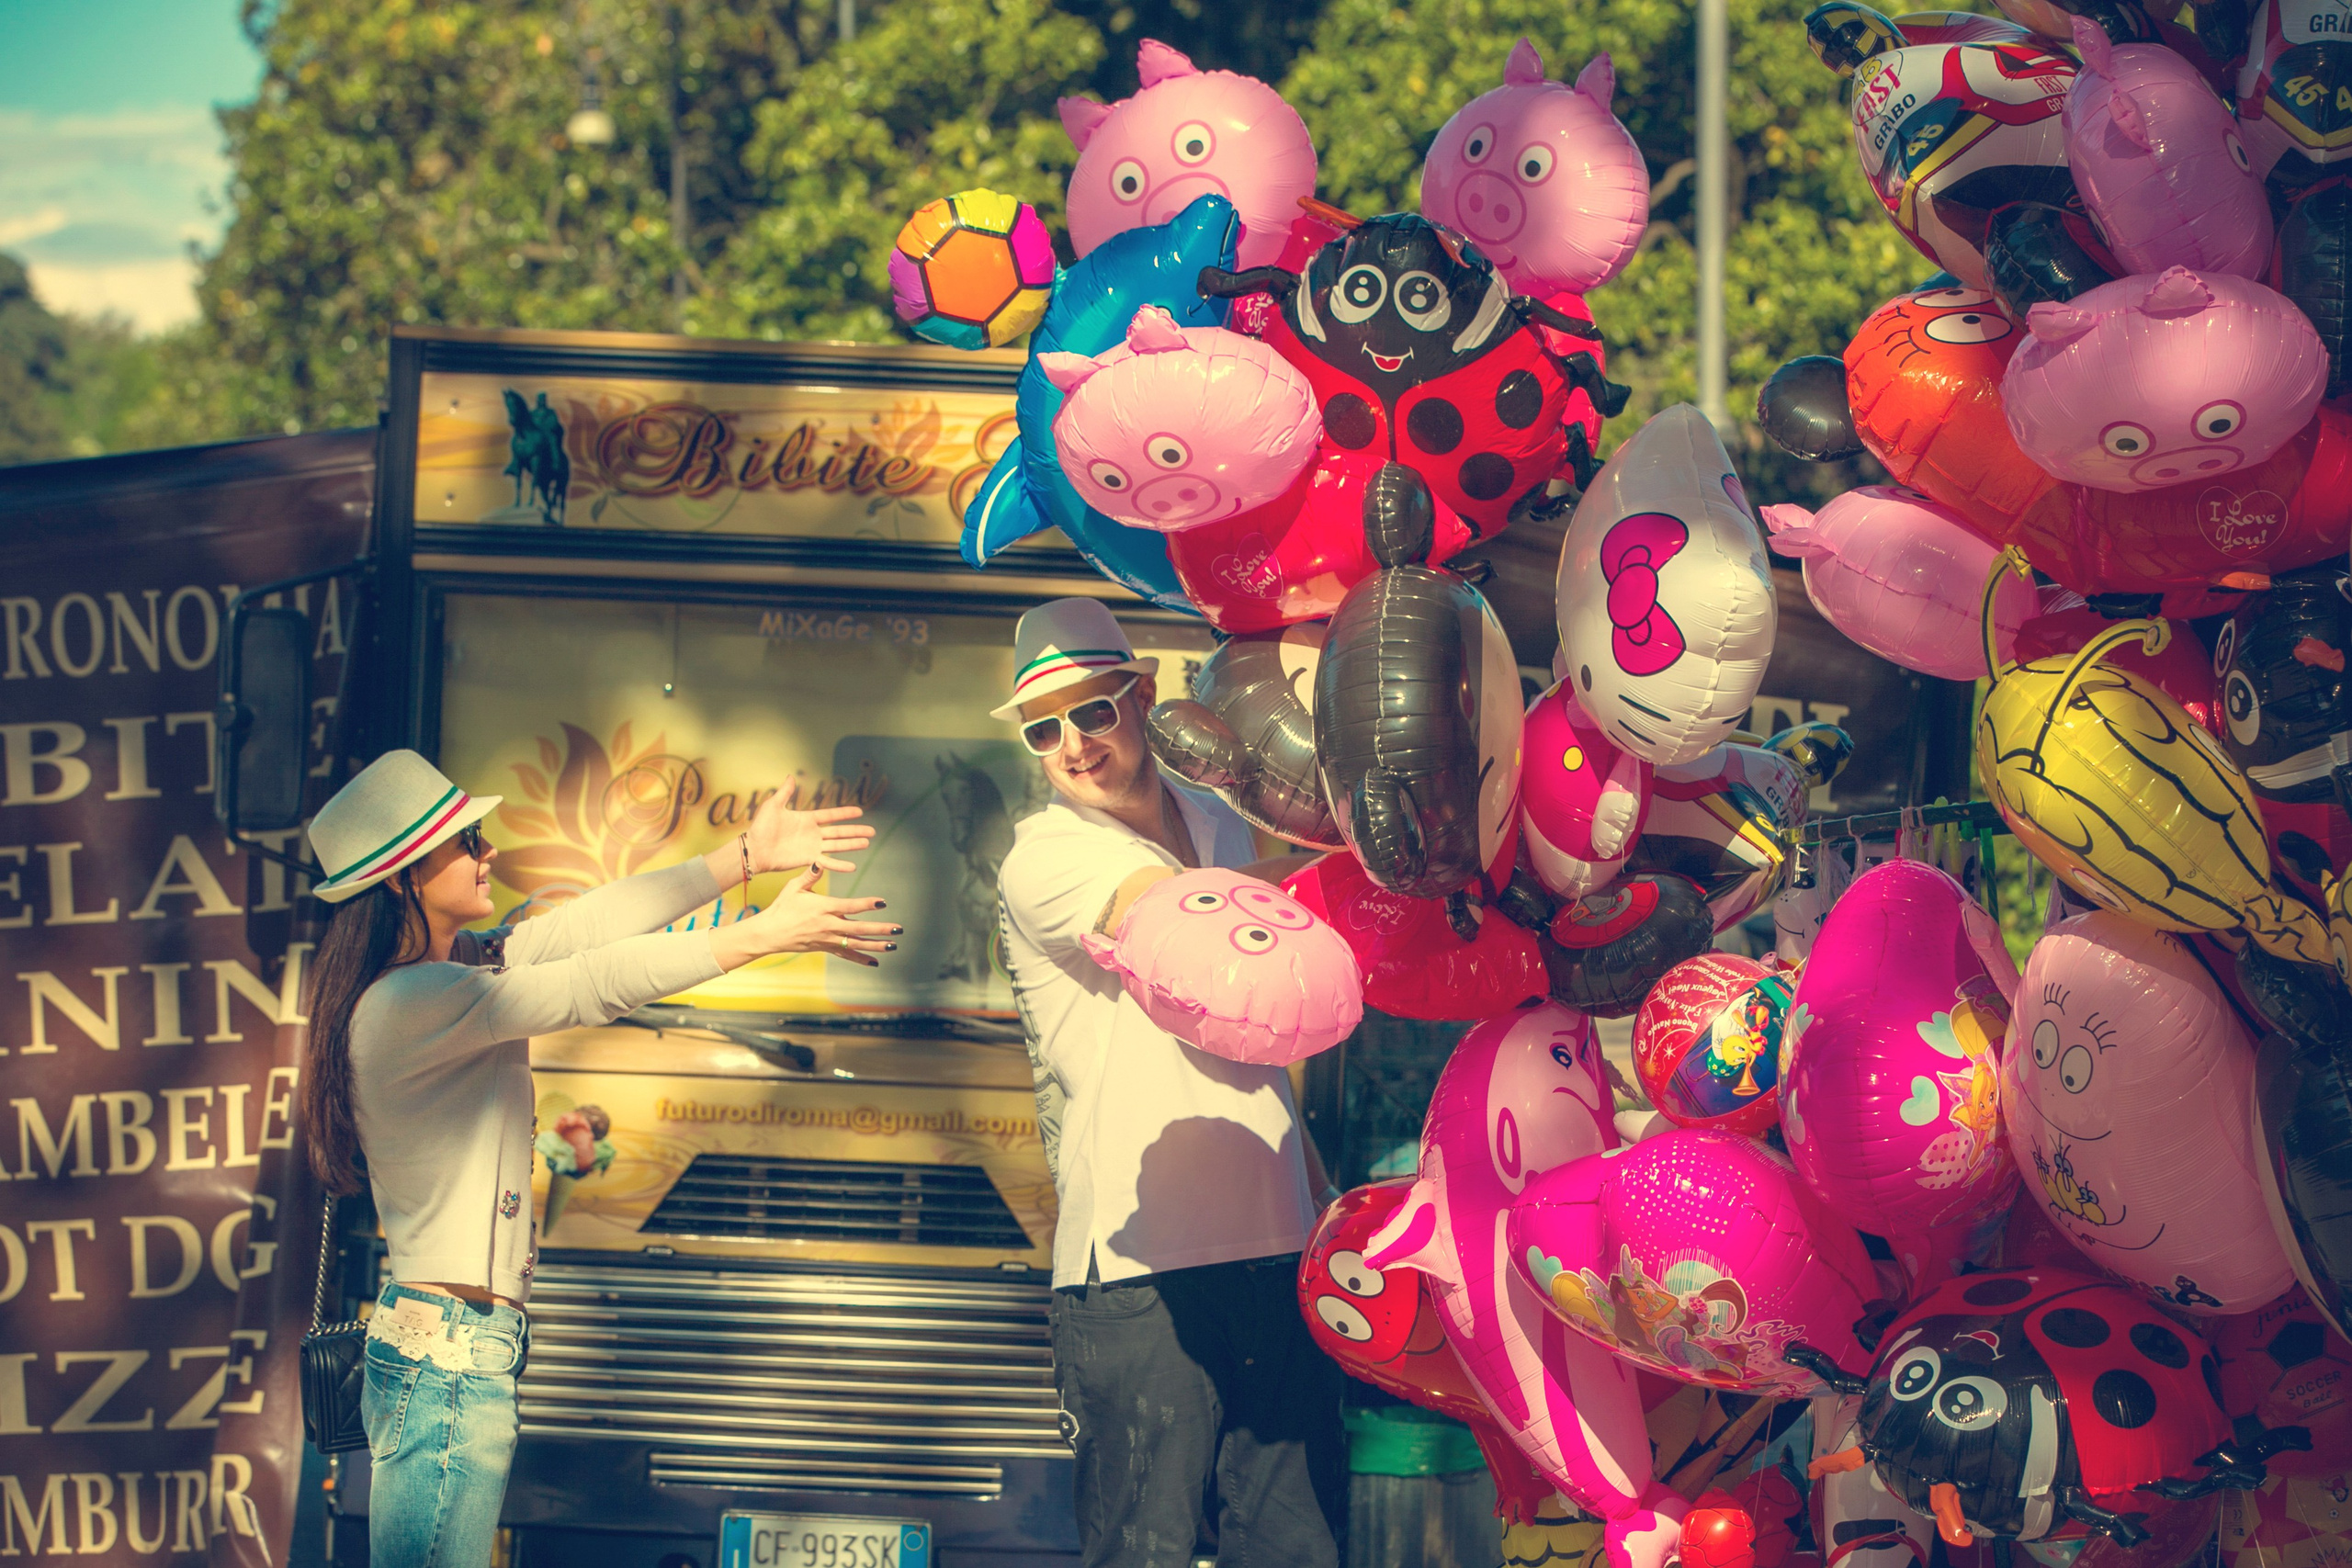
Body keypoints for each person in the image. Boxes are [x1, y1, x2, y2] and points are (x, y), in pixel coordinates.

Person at [299, 749, 900, 1568]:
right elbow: (591, 980)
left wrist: (743, 858)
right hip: (447, 1361)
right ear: (405, 877)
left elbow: (587, 925)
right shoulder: (411, 999)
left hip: (456, 1353)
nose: (489, 851)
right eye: (467, 840)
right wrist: (757, 935)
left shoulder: (447, 973)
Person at [994, 599, 1346, 1568]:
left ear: (1144, 696)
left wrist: (1317, 1188)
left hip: (1278, 1242)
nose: (1072, 745)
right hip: (1137, 1266)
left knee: (1299, 1549)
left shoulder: (1219, 820)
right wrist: (1362, 864)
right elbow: (1192, 920)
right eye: (1042, 730)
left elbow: (1255, 1045)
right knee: (1141, 1551)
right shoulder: (1047, 855)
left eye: (1091, 711)